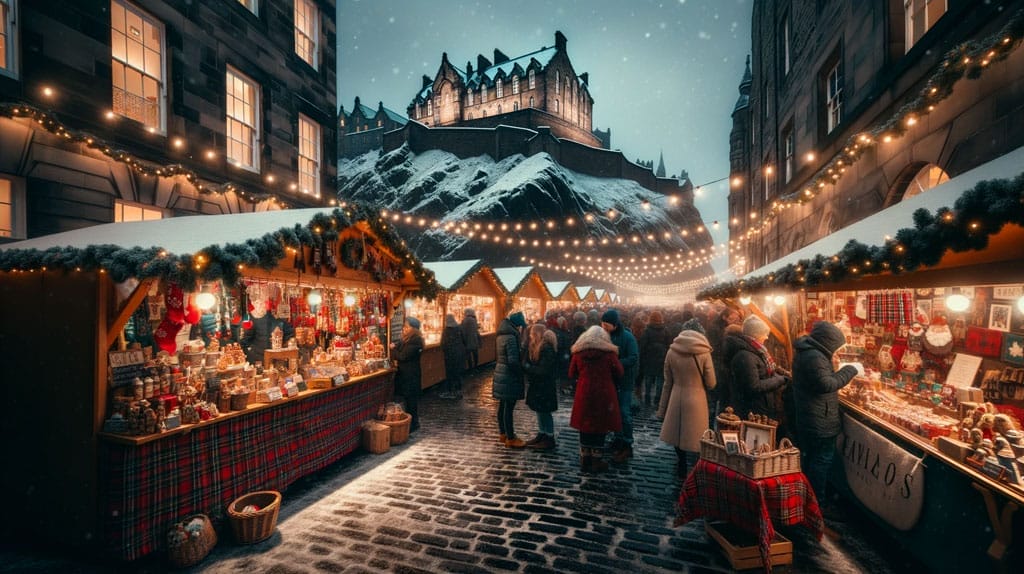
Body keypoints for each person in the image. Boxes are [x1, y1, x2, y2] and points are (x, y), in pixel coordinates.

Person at [792, 320, 862, 504]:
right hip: (818, 420)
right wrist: (850, 370)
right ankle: (816, 503)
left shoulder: (809, 352)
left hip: (812, 416)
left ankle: (808, 500)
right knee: (820, 461)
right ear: (828, 342)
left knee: (812, 459)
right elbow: (827, 384)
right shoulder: (814, 357)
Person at [657, 325, 716, 478]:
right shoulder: (704, 353)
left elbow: (667, 381)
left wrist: (661, 409)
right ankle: (696, 468)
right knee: (697, 435)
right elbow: (711, 383)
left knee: (677, 433)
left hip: (676, 396)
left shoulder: (671, 351)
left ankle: (681, 461)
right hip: (697, 397)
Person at [569, 325, 624, 472]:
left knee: (584, 423)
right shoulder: (609, 354)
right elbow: (619, 371)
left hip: (584, 391)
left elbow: (571, 372)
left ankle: (584, 457)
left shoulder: (578, 353)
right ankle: (596, 460)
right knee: (600, 424)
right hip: (604, 392)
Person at [726, 316, 789, 427]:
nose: (766, 337)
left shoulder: (755, 352)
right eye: (764, 334)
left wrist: (782, 374)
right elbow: (754, 386)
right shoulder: (745, 356)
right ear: (755, 335)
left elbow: (766, 370)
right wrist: (780, 380)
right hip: (753, 411)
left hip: (760, 407)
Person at [601, 308, 639, 463]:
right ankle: (617, 438)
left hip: (624, 380)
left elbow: (633, 357)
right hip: (610, 380)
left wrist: (615, 364)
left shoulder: (628, 337)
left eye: (606, 324)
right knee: (613, 411)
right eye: (602, 324)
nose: (603, 327)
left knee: (624, 413)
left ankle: (627, 444)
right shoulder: (605, 336)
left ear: (614, 324)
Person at [494, 311, 529, 448]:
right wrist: (521, 372)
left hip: (501, 372)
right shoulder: (511, 337)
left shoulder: (502, 333)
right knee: (508, 407)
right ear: (516, 325)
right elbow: (513, 360)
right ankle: (510, 437)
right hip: (509, 375)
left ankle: (503, 433)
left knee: (503, 405)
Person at [524, 324, 559, 450]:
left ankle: (549, 437)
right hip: (539, 385)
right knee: (539, 410)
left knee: (544, 411)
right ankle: (542, 433)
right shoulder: (538, 346)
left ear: (537, 334)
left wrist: (528, 368)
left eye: (532, 334)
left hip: (544, 385)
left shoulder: (546, 348)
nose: (530, 336)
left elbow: (544, 370)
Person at [392, 316, 425, 432]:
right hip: (407, 375)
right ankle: (411, 423)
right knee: (409, 400)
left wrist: (393, 350)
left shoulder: (415, 341)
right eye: (404, 326)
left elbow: (403, 356)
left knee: (411, 401)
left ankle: (413, 424)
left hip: (410, 375)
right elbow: (401, 349)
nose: (404, 329)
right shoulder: (407, 340)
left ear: (414, 329)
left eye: (407, 327)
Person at [638, 311, 672, 406]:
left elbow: (642, 346)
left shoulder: (647, 330)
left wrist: (642, 357)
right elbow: (669, 345)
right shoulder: (665, 330)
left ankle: (647, 398)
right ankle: (657, 399)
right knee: (660, 380)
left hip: (649, 359)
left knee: (648, 379)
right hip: (662, 359)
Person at [440, 314, 467, 399]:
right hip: (459, 353)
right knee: (457, 373)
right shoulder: (459, 328)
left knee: (449, 373)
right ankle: (458, 390)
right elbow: (464, 340)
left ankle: (449, 391)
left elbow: (443, 343)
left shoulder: (446, 331)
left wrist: (445, 351)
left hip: (450, 355)